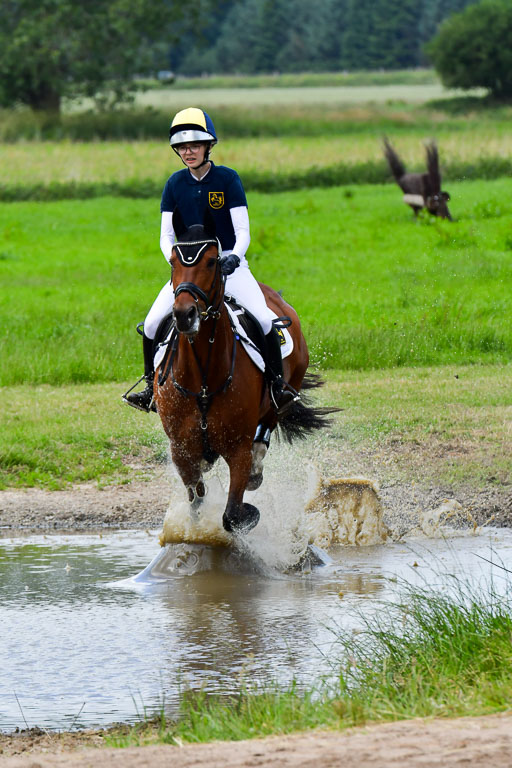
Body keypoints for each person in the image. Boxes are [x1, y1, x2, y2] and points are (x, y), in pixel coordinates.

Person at [124, 107, 297, 414]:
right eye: (182, 147)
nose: (188, 152)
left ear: (208, 146)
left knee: (265, 318)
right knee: (151, 323)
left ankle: (276, 387)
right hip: (189, 273)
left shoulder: (228, 179)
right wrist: (176, 262)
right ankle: (151, 387)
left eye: (194, 145)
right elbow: (166, 236)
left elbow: (243, 230)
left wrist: (233, 257)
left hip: (231, 268)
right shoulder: (174, 184)